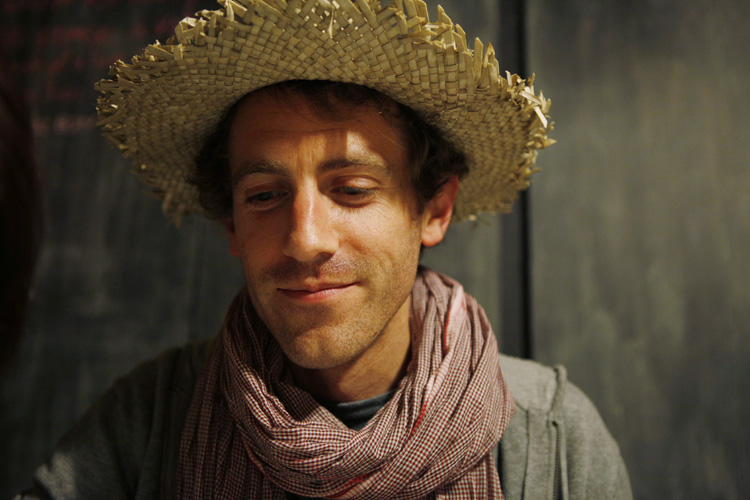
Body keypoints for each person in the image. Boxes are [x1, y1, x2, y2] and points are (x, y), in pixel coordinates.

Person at [19, 0, 631, 498]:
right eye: (264, 196)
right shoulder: (146, 424)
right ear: (230, 224)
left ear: (434, 210)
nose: (305, 238)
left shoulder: (553, 441)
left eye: (352, 190)